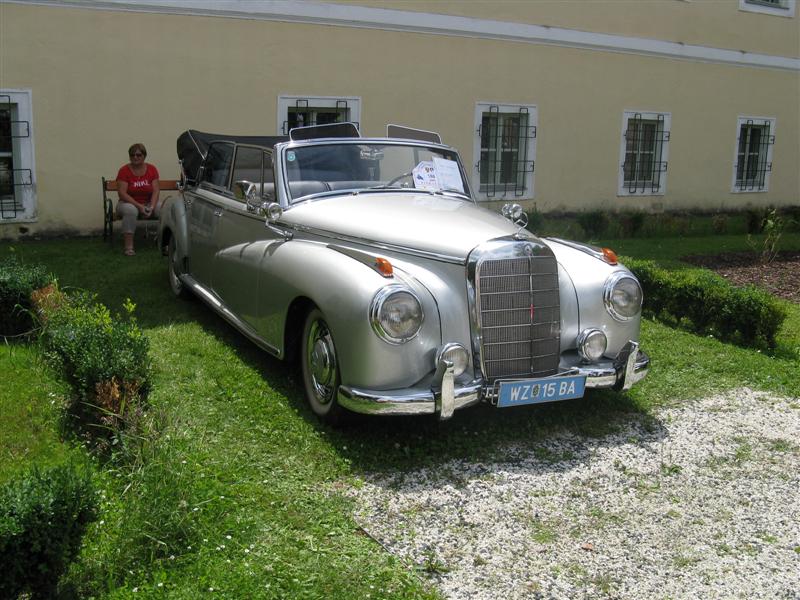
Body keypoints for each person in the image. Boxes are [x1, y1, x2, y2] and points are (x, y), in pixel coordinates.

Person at [116, 143, 160, 256]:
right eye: (132, 155)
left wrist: (152, 207)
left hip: (147, 203)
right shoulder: (124, 171)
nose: (135, 157)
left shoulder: (152, 169)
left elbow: (156, 190)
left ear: (144, 156)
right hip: (126, 203)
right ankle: (129, 246)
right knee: (131, 210)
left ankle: (163, 242)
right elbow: (122, 193)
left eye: (138, 155)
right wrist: (139, 206)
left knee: (163, 208)